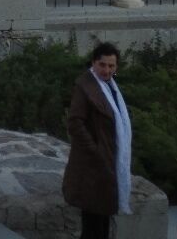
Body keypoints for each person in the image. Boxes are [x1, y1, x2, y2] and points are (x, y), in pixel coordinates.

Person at [62, 41, 132, 239]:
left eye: (111, 66)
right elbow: (75, 123)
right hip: (92, 168)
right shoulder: (85, 87)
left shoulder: (110, 87)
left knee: (101, 222)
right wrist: (96, 151)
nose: (106, 70)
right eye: (102, 65)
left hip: (107, 164)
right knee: (93, 224)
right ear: (93, 63)